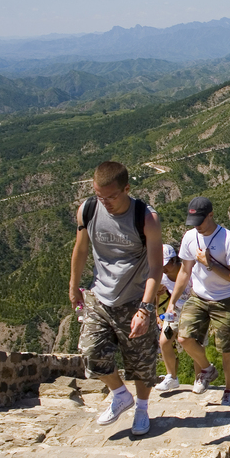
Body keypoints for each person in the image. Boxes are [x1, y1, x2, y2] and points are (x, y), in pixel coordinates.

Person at [69, 161, 162, 437]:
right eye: (100, 196)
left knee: (142, 363)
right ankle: (120, 394)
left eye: (111, 196)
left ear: (126, 188)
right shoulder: (88, 210)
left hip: (135, 299)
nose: (105, 203)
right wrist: (74, 286)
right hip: (99, 295)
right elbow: (81, 249)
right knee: (90, 352)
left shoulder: (146, 219)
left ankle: (142, 408)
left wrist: (145, 309)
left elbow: (156, 267)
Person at [166, 196, 230, 406]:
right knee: (184, 338)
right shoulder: (190, 237)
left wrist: (209, 264)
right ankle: (207, 370)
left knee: (226, 349)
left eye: (200, 221)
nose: (197, 226)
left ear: (211, 215)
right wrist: (172, 301)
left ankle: (229, 390)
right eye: (193, 222)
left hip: (225, 299)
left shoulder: (229, 239)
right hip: (199, 296)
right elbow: (184, 270)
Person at [155, 244, 188, 392]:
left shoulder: (187, 271)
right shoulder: (162, 277)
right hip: (173, 310)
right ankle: (171, 377)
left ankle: (200, 377)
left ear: (174, 260)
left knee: (194, 343)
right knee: (164, 341)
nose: (164, 268)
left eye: (166, 264)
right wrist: (157, 314)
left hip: (192, 309)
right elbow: (156, 294)